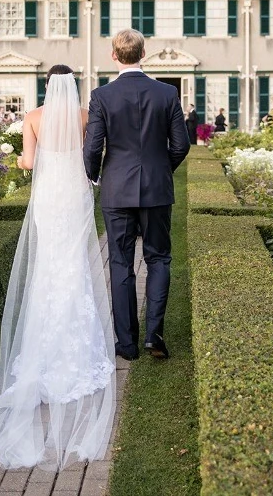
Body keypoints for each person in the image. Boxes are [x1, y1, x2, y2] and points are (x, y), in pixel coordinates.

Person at [0, 64, 116, 471]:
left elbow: (27, 161)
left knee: (48, 265)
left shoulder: (33, 118)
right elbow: (94, 153)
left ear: (47, 85)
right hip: (74, 193)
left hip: (48, 196)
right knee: (73, 262)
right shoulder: (83, 117)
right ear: (72, 86)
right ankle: (76, 343)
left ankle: (42, 343)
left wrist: (28, 160)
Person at [84, 28, 190, 365]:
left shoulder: (102, 96)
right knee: (159, 258)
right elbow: (181, 145)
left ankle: (126, 344)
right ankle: (154, 334)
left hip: (117, 189)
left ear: (114, 56)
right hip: (157, 189)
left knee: (120, 263)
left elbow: (92, 147)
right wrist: (161, 170)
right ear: (143, 54)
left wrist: (95, 175)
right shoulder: (166, 93)